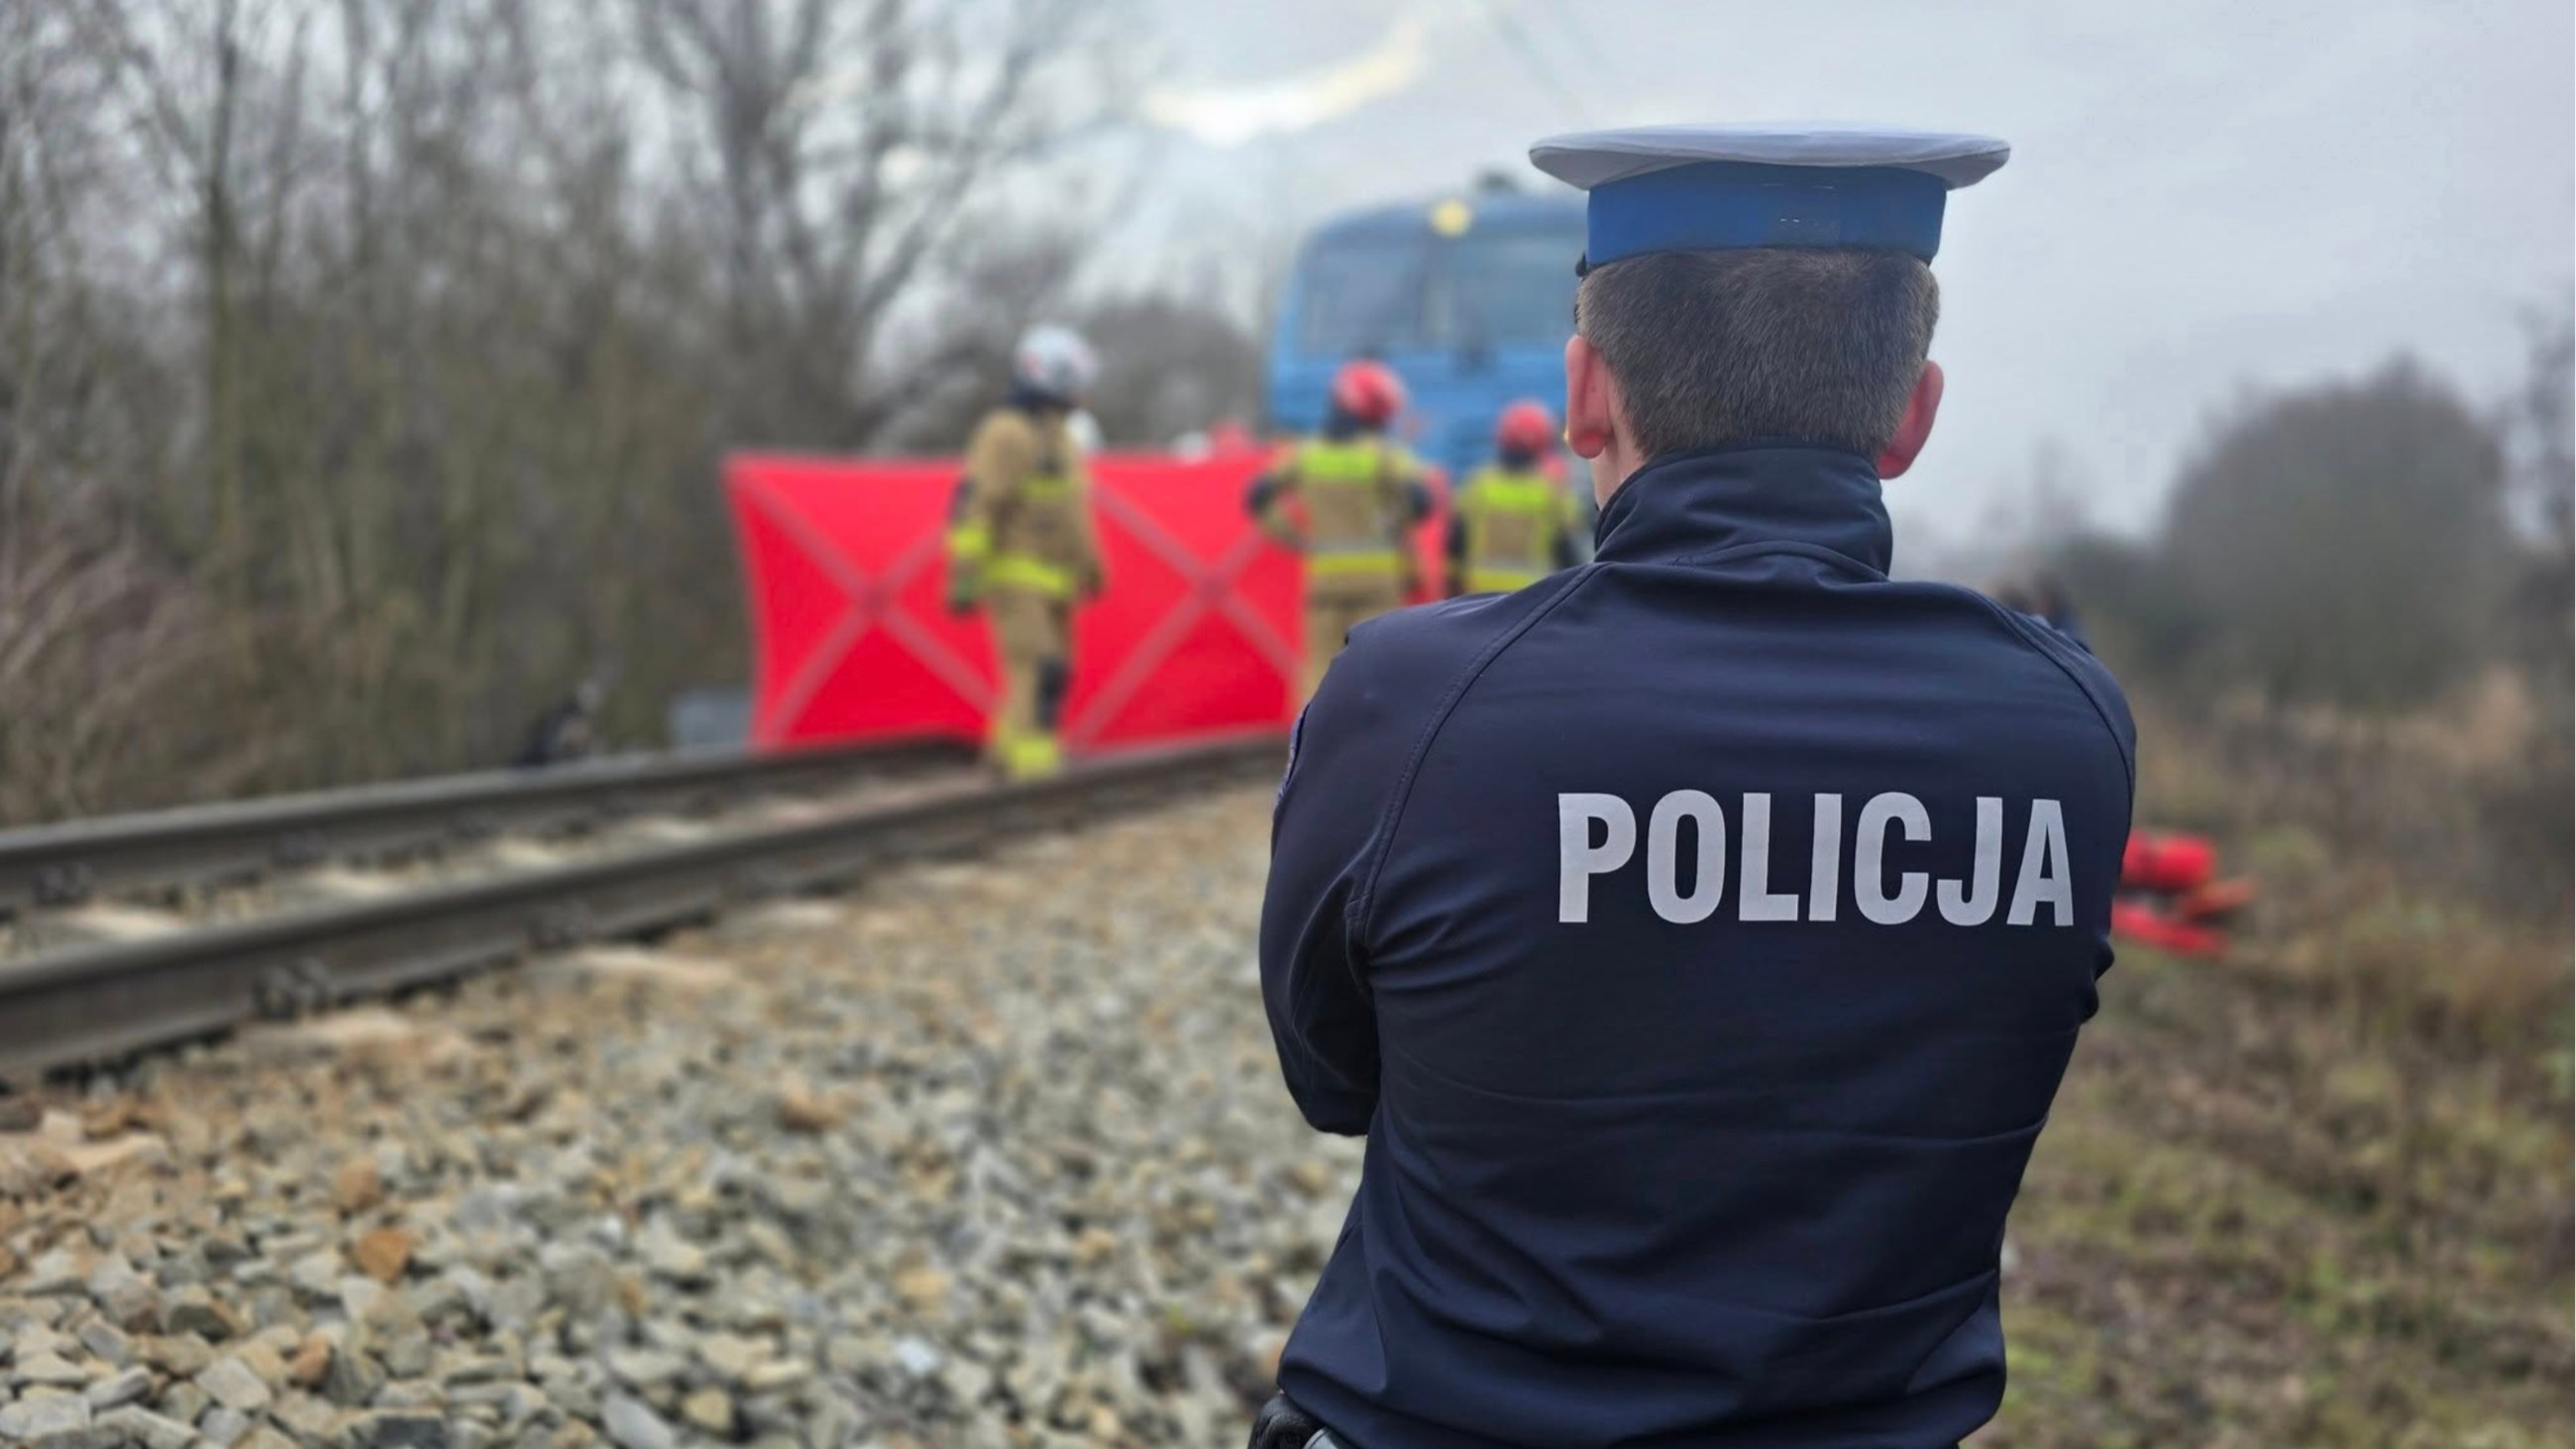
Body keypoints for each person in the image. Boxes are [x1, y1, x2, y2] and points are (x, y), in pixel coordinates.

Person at [1253, 125, 2136, 1449]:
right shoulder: (2066, 730)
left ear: (1584, 395)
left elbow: (1333, 1076)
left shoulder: (1409, 700)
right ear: (1911, 416)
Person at [945, 325, 1106, 780]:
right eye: (1076, 382)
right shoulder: (1006, 433)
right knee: (1038, 668)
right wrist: (965, 574)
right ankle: (1032, 776)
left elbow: (1073, 511)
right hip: (1014, 576)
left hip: (1054, 581)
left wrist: (1092, 567)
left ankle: (1005, 761)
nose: (1082, 393)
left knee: (1054, 673)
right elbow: (977, 506)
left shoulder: (1062, 439)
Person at [1246, 359, 1434, 703]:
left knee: (1319, 666)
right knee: (1378, 666)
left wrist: (1292, 536)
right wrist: (1394, 527)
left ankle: (1309, 734)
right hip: (1378, 581)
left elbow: (1256, 496)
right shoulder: (1382, 455)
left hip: (1325, 580)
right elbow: (1422, 500)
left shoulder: (1306, 455)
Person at [1445, 398, 1583, 596]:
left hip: (1477, 596)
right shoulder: (1553, 493)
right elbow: (1568, 553)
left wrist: (1451, 590)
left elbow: (1455, 544)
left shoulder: (1476, 485)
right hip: (1531, 598)